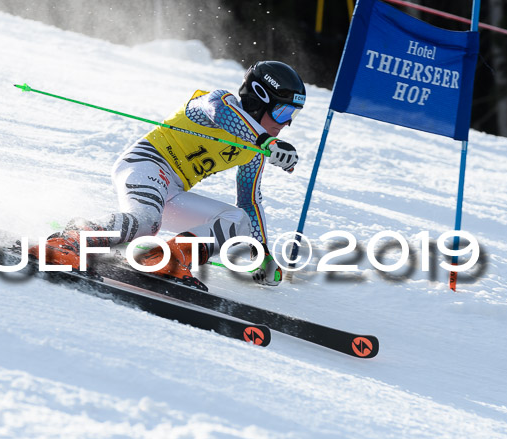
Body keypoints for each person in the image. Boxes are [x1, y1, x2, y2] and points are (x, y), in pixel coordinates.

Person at [30, 60, 305, 290]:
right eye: (283, 111)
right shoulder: (217, 102)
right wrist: (265, 142)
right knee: (146, 222)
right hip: (146, 164)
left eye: (293, 114)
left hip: (173, 190)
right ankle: (68, 241)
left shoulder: (255, 149)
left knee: (238, 219)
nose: (287, 122)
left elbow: (248, 202)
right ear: (257, 99)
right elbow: (221, 113)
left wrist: (261, 253)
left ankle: (167, 257)